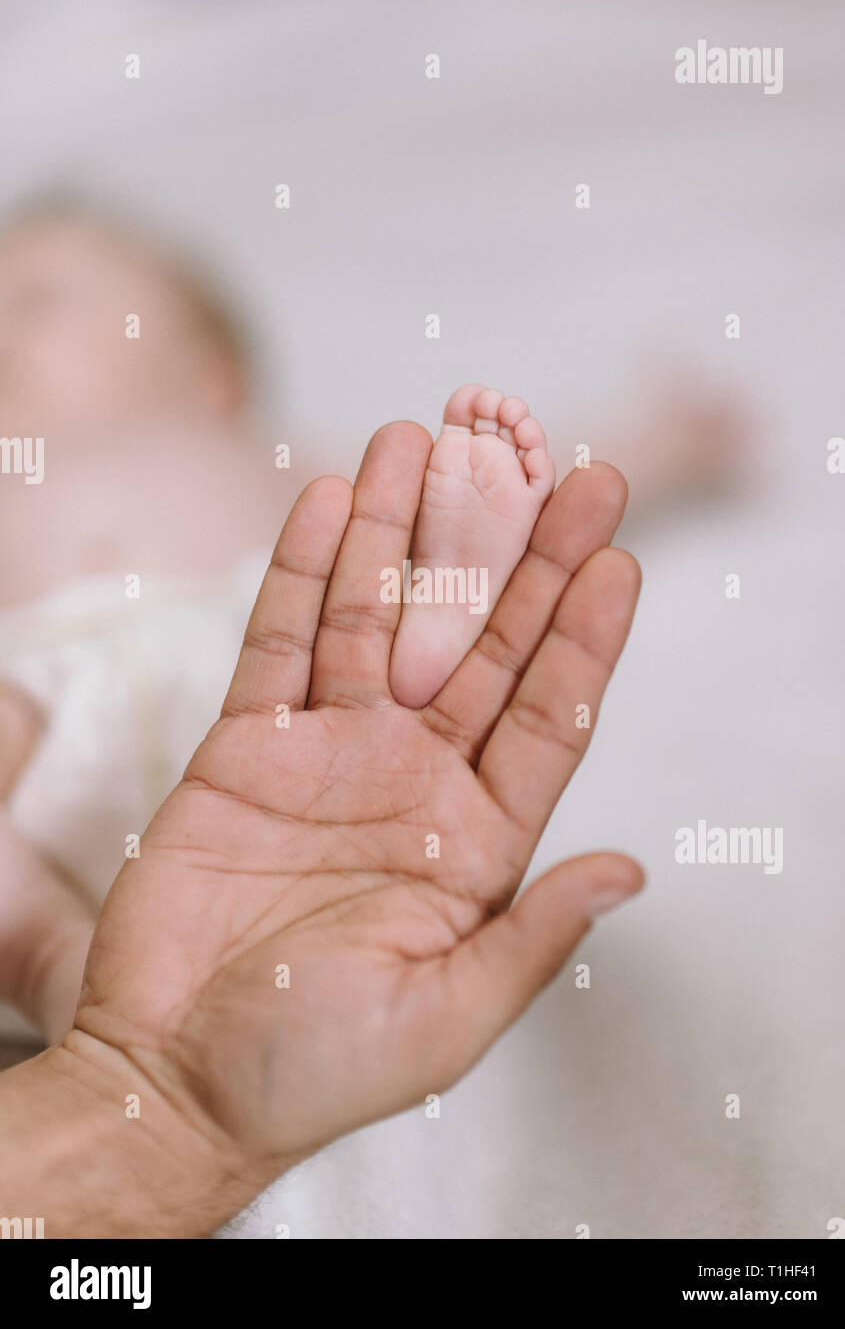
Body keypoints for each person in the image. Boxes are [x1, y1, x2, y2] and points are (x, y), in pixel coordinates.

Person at [0, 421, 642, 1237]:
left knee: (367, 604)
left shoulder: (260, 458)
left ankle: (443, 612)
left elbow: (547, 506)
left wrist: (654, 436)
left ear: (213, 379)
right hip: (46, 692)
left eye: (41, 301)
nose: (7, 334)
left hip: (290, 698)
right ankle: (45, 955)